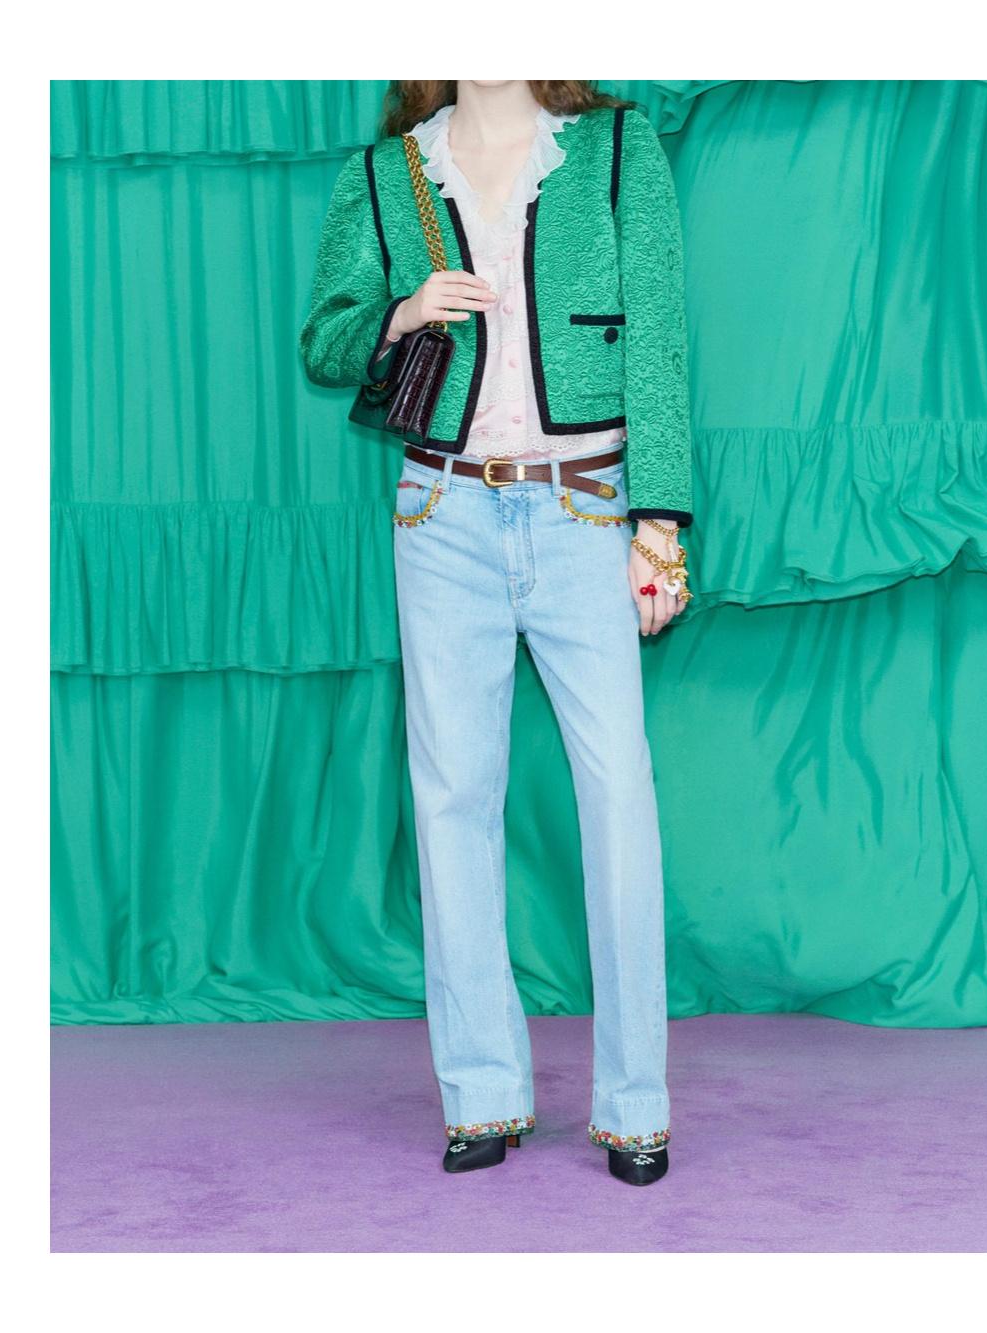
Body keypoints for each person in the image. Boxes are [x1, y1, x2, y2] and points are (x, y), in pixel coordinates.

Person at [300, 79, 693, 1186]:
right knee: (451, 800)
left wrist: (661, 523)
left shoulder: (614, 148)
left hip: (587, 508)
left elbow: (657, 339)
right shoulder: (386, 173)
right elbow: (325, 341)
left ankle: (635, 1105)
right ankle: (480, 1093)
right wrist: (401, 311)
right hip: (441, 512)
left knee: (617, 795)